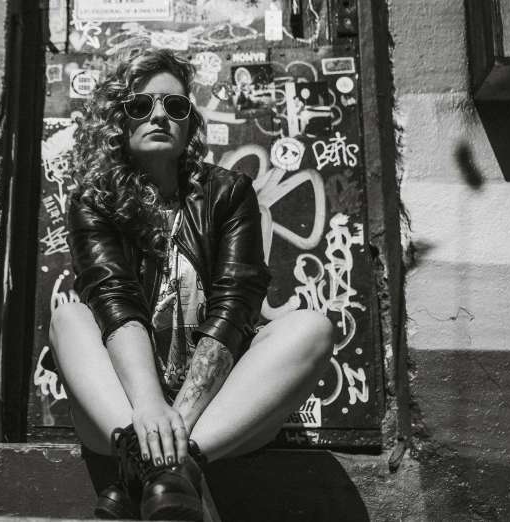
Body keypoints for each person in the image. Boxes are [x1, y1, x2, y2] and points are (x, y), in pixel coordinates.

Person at [50, 48, 334, 521]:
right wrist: (146, 407)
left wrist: (173, 424)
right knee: (68, 316)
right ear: (118, 119)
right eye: (141, 105)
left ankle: (161, 468)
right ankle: (164, 465)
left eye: (175, 107)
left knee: (312, 327)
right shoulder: (93, 200)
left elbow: (235, 307)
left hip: (218, 413)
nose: (159, 115)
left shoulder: (227, 193)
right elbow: (114, 299)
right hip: (121, 409)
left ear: (189, 122)